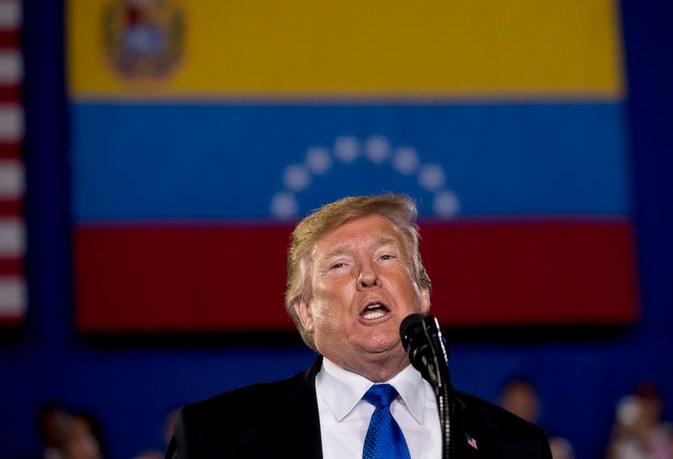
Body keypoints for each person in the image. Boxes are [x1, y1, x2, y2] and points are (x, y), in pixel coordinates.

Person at [165, 194, 552, 458]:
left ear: (422, 295)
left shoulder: (514, 445)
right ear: (306, 312)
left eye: (386, 256)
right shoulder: (216, 438)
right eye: (340, 265)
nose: (368, 275)